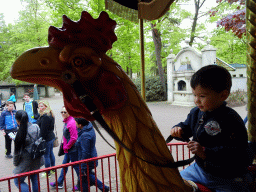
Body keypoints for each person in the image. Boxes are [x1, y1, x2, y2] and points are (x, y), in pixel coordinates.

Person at [170, 65, 252, 192]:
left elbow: (238, 152)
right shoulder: (196, 113)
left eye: (202, 96)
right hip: (199, 169)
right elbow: (187, 127)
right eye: (194, 95)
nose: (197, 100)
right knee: (173, 184)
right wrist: (178, 130)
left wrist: (205, 152)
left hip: (227, 176)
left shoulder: (231, 119)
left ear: (223, 95)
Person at [74, 118, 109, 192]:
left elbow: (85, 152)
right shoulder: (88, 128)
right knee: (87, 176)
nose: (75, 124)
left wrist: (83, 166)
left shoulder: (85, 135)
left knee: (85, 176)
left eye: (76, 123)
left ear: (80, 125)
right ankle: (104, 188)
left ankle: (104, 188)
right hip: (90, 158)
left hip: (87, 161)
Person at [13, 110, 44, 192]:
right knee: (34, 179)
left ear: (18, 121)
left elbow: (17, 153)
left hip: (26, 161)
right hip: (37, 157)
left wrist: (15, 163)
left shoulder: (19, 134)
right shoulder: (36, 127)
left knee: (17, 181)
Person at [50, 106, 80, 189]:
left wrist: (67, 146)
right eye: (62, 112)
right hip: (68, 149)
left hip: (72, 149)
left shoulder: (71, 122)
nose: (63, 113)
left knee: (76, 167)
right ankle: (60, 182)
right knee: (64, 166)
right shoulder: (67, 121)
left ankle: (81, 183)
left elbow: (74, 137)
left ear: (69, 112)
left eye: (65, 112)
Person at [37, 100, 56, 177]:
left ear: (46, 106)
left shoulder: (45, 117)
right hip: (51, 137)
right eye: (39, 106)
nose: (40, 108)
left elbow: (43, 131)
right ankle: (53, 169)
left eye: (42, 106)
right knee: (51, 153)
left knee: (46, 155)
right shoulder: (51, 114)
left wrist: (40, 139)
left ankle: (48, 173)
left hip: (47, 139)